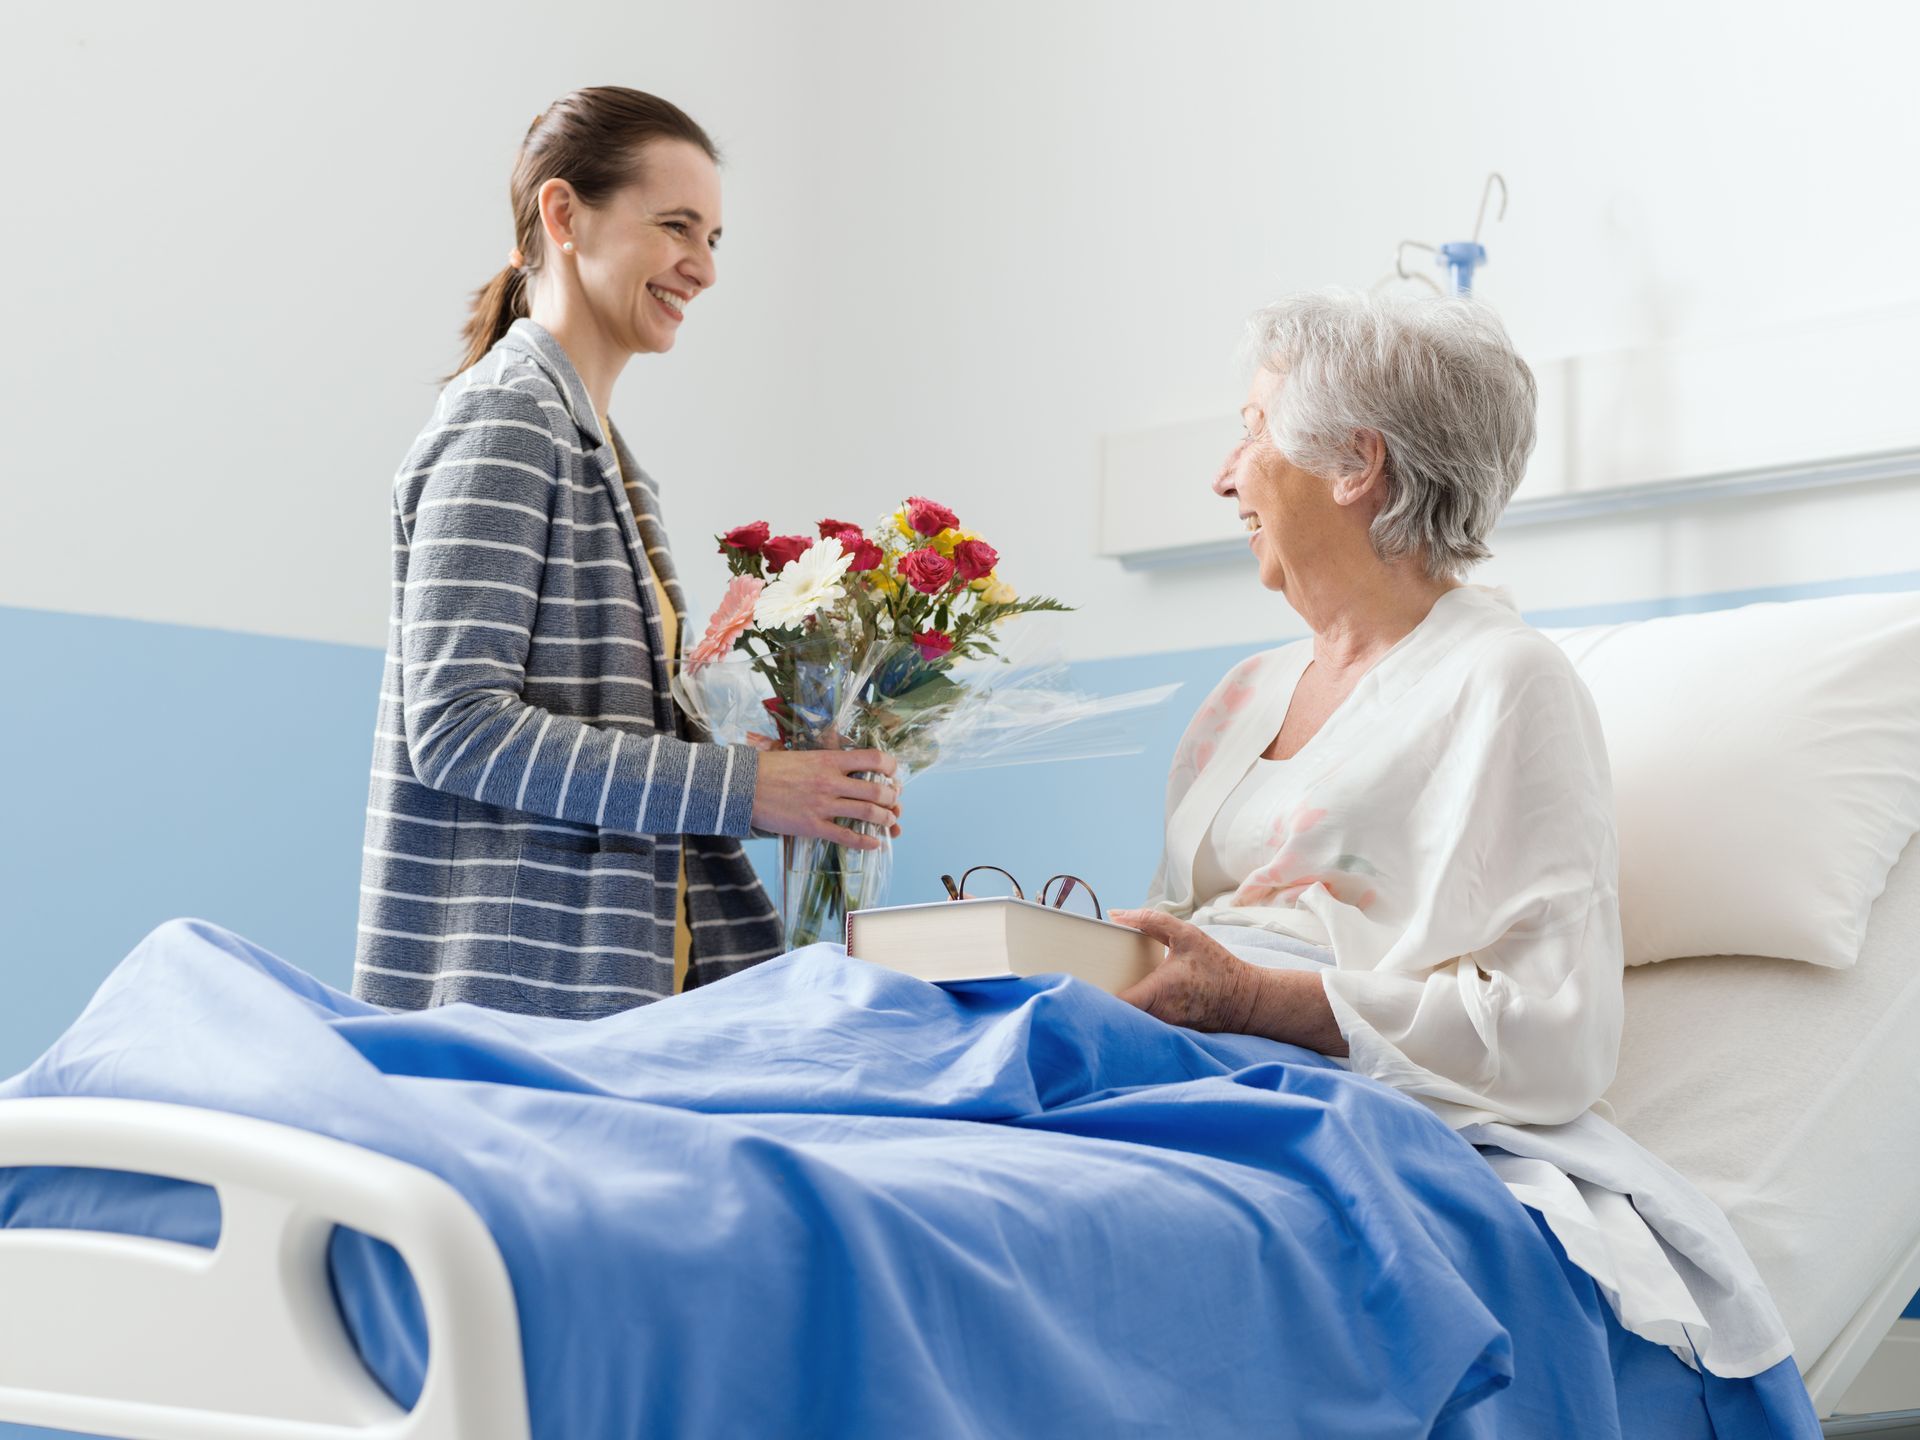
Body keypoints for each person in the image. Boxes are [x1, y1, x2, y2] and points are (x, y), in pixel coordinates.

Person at [355, 87, 901, 1018]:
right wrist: (746, 788)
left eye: (713, 239)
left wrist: (783, 772)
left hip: (628, 992)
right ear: (564, 215)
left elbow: (602, 734)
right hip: (512, 1014)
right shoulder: (508, 422)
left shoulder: (606, 455)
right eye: (676, 227)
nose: (705, 268)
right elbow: (457, 730)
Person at [1111, 290, 1623, 1130]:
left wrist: (1249, 999)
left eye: (1254, 430)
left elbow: (1558, 1040)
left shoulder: (1505, 680)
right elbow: (1171, 937)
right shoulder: (1243, 693)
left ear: (1355, 463)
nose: (1224, 476)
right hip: (1170, 1056)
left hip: (1327, 1094)